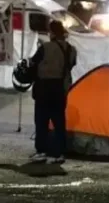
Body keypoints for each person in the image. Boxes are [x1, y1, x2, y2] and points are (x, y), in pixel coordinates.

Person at [29, 20, 77, 164]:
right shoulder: (71, 49)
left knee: (41, 120)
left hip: (44, 87)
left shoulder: (45, 47)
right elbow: (71, 65)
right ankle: (59, 153)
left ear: (52, 33)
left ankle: (41, 151)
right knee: (59, 121)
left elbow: (33, 63)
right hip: (60, 88)